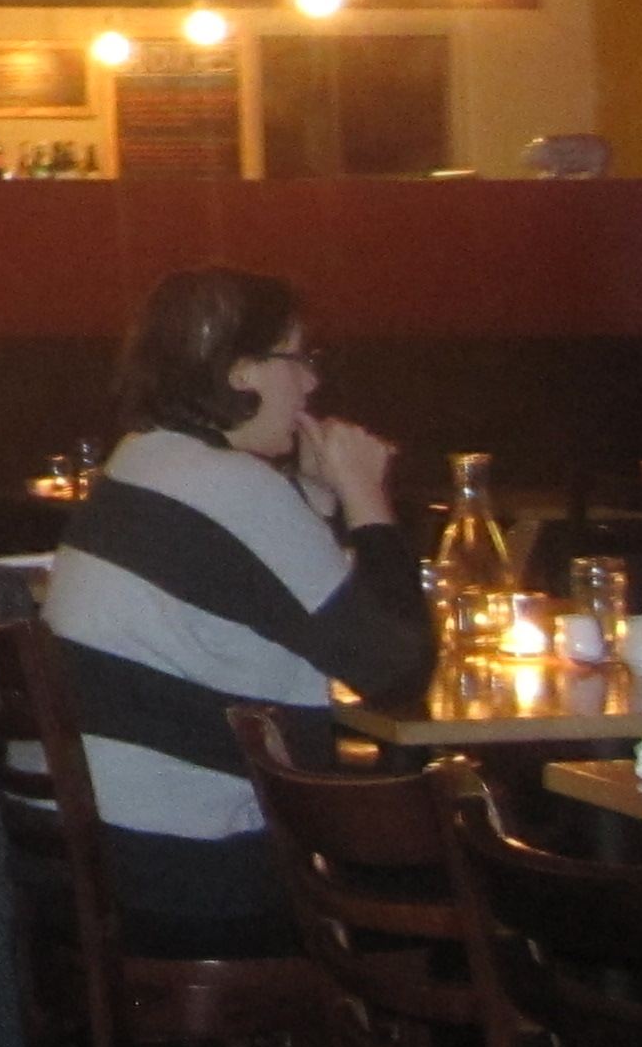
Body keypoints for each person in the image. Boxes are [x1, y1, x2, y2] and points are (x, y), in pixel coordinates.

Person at [40, 266, 425, 954]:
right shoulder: (232, 488)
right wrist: (368, 498)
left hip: (98, 860)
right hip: (194, 874)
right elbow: (398, 673)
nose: (311, 383)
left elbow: (268, 605)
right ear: (241, 371)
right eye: (297, 358)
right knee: (454, 876)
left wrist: (317, 499)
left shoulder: (146, 461)